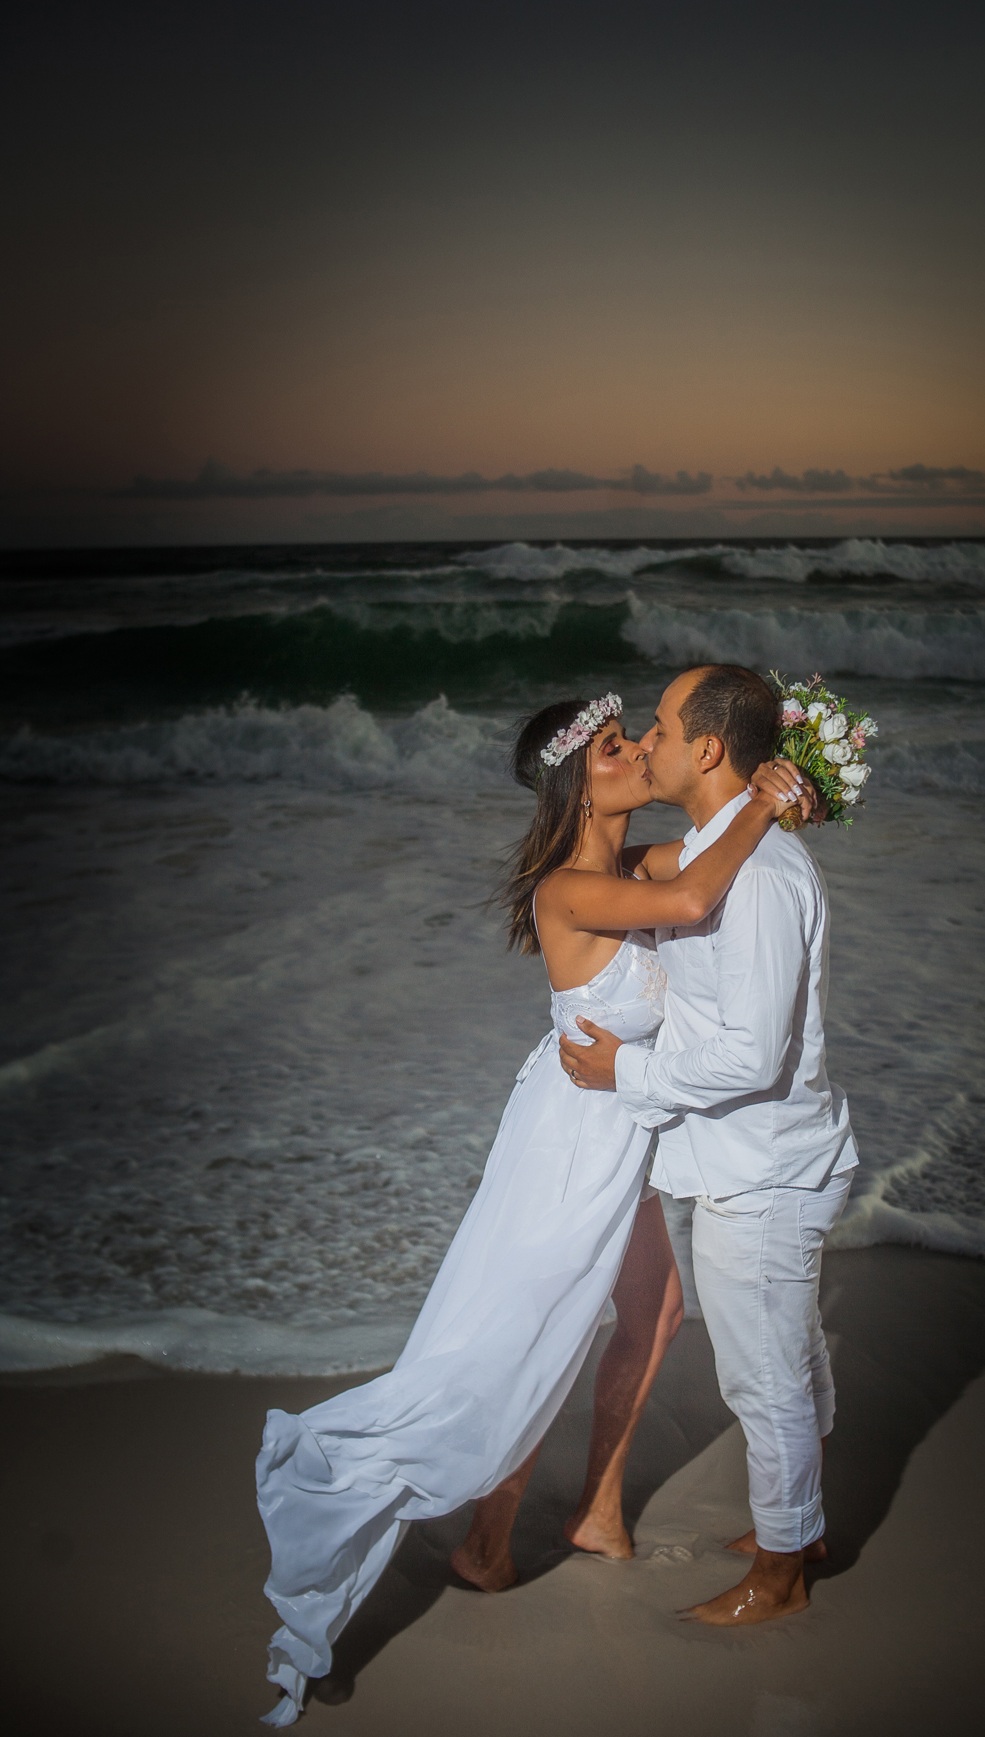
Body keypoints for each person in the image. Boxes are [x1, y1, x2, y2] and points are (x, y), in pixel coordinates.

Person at [255, 691, 811, 1724]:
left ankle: (594, 1513)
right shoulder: (569, 889)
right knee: (526, 1347)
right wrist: (764, 812)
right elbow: (695, 903)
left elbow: (698, 874)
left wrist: (772, 797)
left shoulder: (632, 864)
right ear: (577, 779)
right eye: (615, 748)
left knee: (656, 1317)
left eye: (637, 739)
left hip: (617, 1127)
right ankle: (478, 1540)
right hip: (569, 1140)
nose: (640, 751)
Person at [561, 664, 858, 1627]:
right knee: (790, 1357)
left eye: (658, 725)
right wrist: (762, 809)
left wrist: (626, 1078)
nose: (646, 740)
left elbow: (752, 1053)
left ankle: (780, 1575)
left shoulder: (759, 878)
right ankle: (798, 1528)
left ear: (708, 749)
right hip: (754, 1160)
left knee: (762, 1376)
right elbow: (643, 878)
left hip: (762, 1167)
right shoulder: (714, 849)